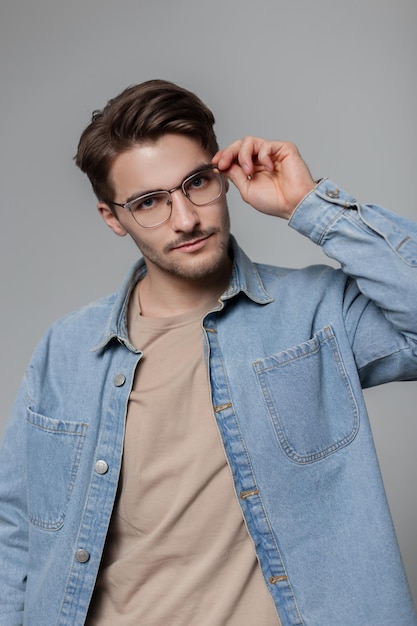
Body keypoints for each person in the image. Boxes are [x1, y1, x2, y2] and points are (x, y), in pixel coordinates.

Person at [0, 79, 416, 626]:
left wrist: (309, 205)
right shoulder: (67, 350)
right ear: (112, 218)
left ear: (222, 176)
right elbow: (16, 530)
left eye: (196, 183)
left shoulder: (316, 313)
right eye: (149, 201)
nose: (185, 218)